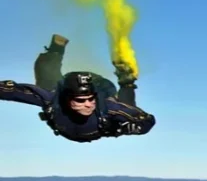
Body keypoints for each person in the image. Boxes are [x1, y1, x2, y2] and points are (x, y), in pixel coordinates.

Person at [0, 34, 155, 141]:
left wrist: (130, 128)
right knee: (45, 76)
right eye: (81, 101)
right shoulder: (53, 98)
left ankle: (126, 79)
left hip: (101, 86)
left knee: (124, 108)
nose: (88, 104)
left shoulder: (107, 107)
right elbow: (13, 91)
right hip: (68, 84)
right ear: (67, 100)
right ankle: (56, 48)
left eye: (90, 99)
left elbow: (146, 120)